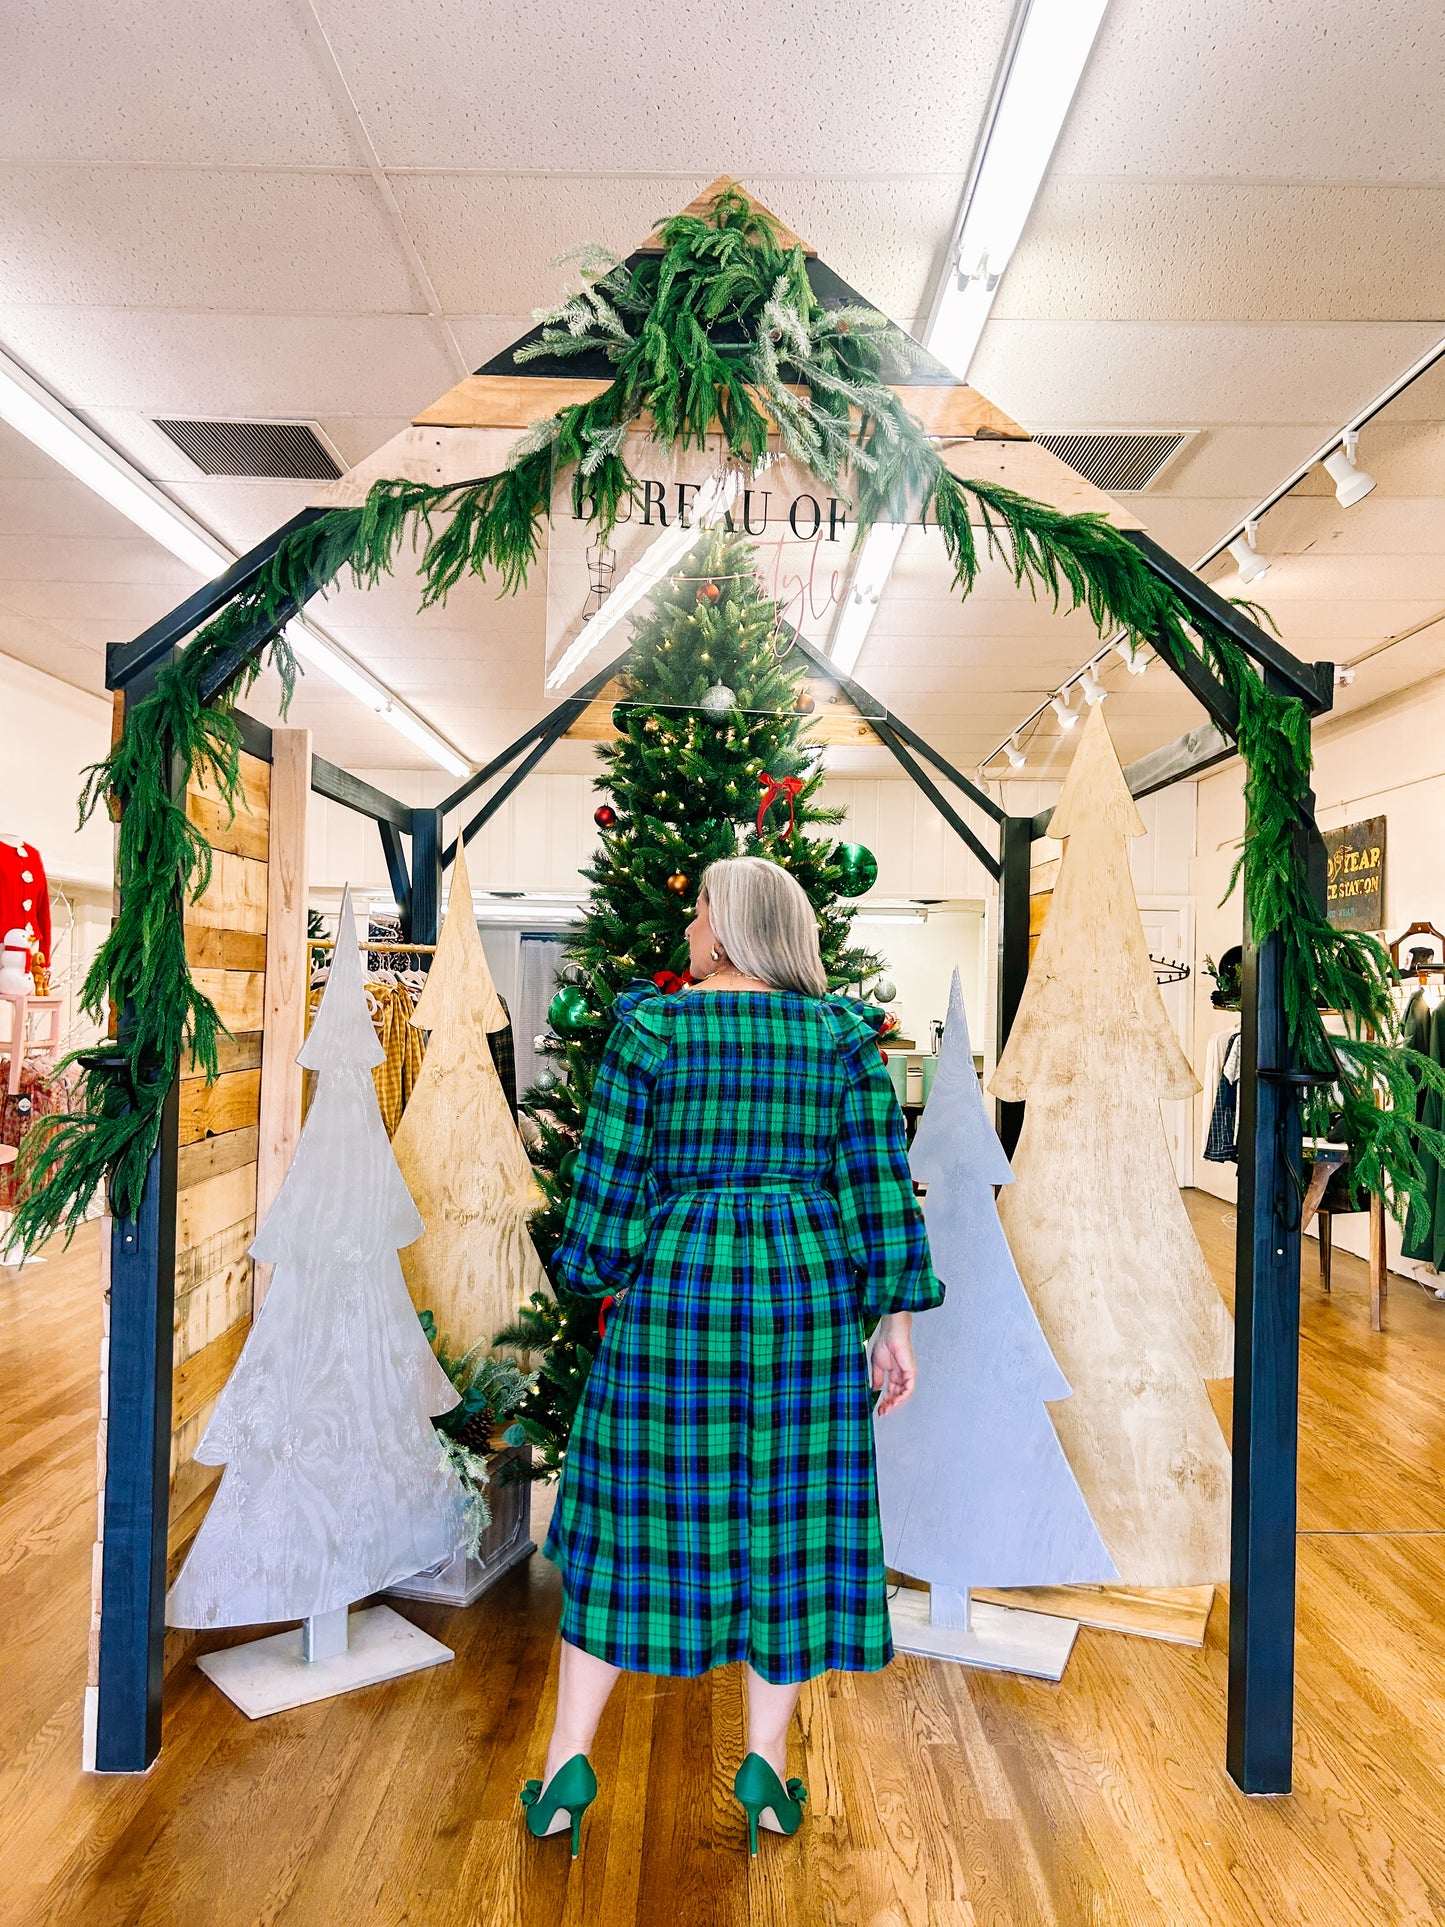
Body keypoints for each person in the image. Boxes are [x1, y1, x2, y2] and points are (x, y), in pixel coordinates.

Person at [520, 856, 942, 1859]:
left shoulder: (653, 1029)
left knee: (629, 1519)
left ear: (729, 924)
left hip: (677, 1295)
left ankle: (563, 1772)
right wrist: (895, 1326)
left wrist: (591, 1269)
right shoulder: (840, 1034)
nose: (689, 920)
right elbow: (879, 1193)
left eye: (700, 904)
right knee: (788, 1529)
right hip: (803, 1300)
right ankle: (763, 1774)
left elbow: (609, 1196)